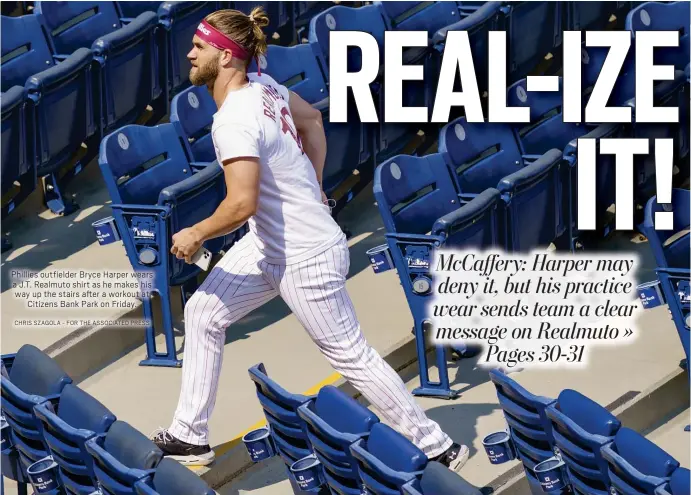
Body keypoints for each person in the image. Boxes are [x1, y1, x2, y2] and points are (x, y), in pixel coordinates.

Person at [150, 7, 470, 474]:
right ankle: (190, 435)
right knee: (203, 313)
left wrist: (198, 231)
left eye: (199, 47)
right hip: (269, 244)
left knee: (351, 356)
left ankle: (438, 446)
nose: (189, 53)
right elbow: (313, 124)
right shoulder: (265, 88)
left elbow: (241, 204)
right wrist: (314, 186)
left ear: (226, 57)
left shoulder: (234, 119)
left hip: (305, 256)